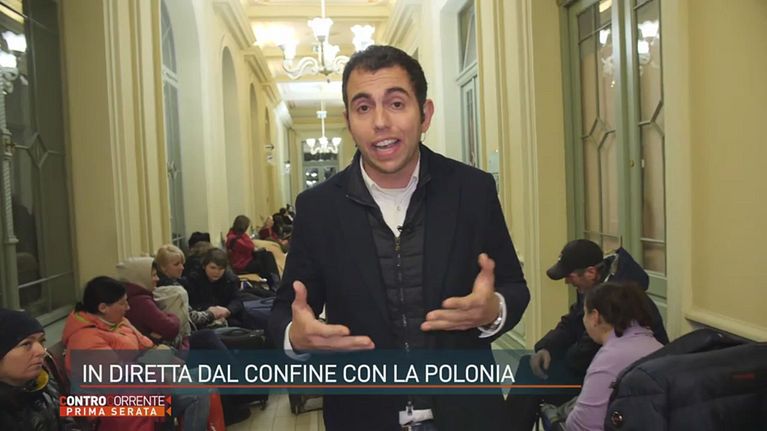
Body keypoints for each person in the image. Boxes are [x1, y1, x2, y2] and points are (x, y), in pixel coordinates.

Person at [267, 45, 529, 431]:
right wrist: (296, 336)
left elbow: (514, 288)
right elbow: (284, 312)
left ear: (424, 114)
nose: (380, 122)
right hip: (362, 418)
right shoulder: (318, 207)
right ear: (349, 121)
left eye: (396, 103)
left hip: (467, 415)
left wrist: (494, 311)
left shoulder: (472, 190)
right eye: (363, 107)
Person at [506, 239, 668, 431]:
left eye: (570, 276)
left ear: (590, 272)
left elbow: (584, 354)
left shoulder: (616, 299)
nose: (567, 281)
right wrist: (547, 347)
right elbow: (571, 322)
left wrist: (555, 360)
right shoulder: (596, 287)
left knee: (531, 375)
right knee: (531, 369)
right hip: (607, 369)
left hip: (624, 380)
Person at [62, 276, 210, 431]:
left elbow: (148, 346)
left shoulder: (118, 322)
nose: (128, 308)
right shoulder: (85, 339)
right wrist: (155, 366)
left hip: (144, 384)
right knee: (198, 393)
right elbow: (117, 379)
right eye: (122, 303)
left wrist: (162, 361)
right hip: (115, 405)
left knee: (204, 374)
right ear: (103, 307)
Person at [564, 282, 664, 430]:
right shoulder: (658, 347)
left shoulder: (609, 359)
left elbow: (583, 424)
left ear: (595, 317)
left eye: (585, 313)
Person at [0, 308, 74, 430]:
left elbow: (67, 423)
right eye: (26, 344)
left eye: (41, 341)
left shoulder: (43, 383)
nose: (41, 351)